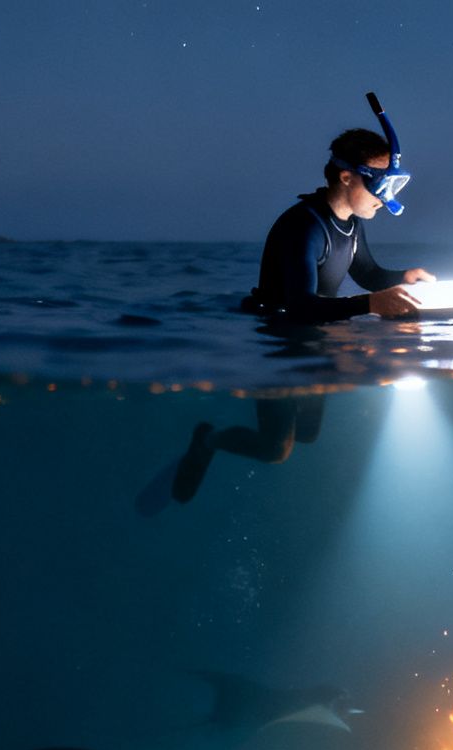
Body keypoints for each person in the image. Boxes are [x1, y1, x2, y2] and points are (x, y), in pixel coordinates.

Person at [172, 95, 433, 504]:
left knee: (308, 434)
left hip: (315, 334)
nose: (386, 196)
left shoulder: (350, 224)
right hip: (280, 338)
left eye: (391, 185)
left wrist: (403, 278)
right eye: (380, 184)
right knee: (278, 449)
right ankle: (209, 439)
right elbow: (300, 305)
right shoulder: (303, 227)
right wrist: (370, 306)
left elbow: (366, 273)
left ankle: (249, 424)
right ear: (347, 177)